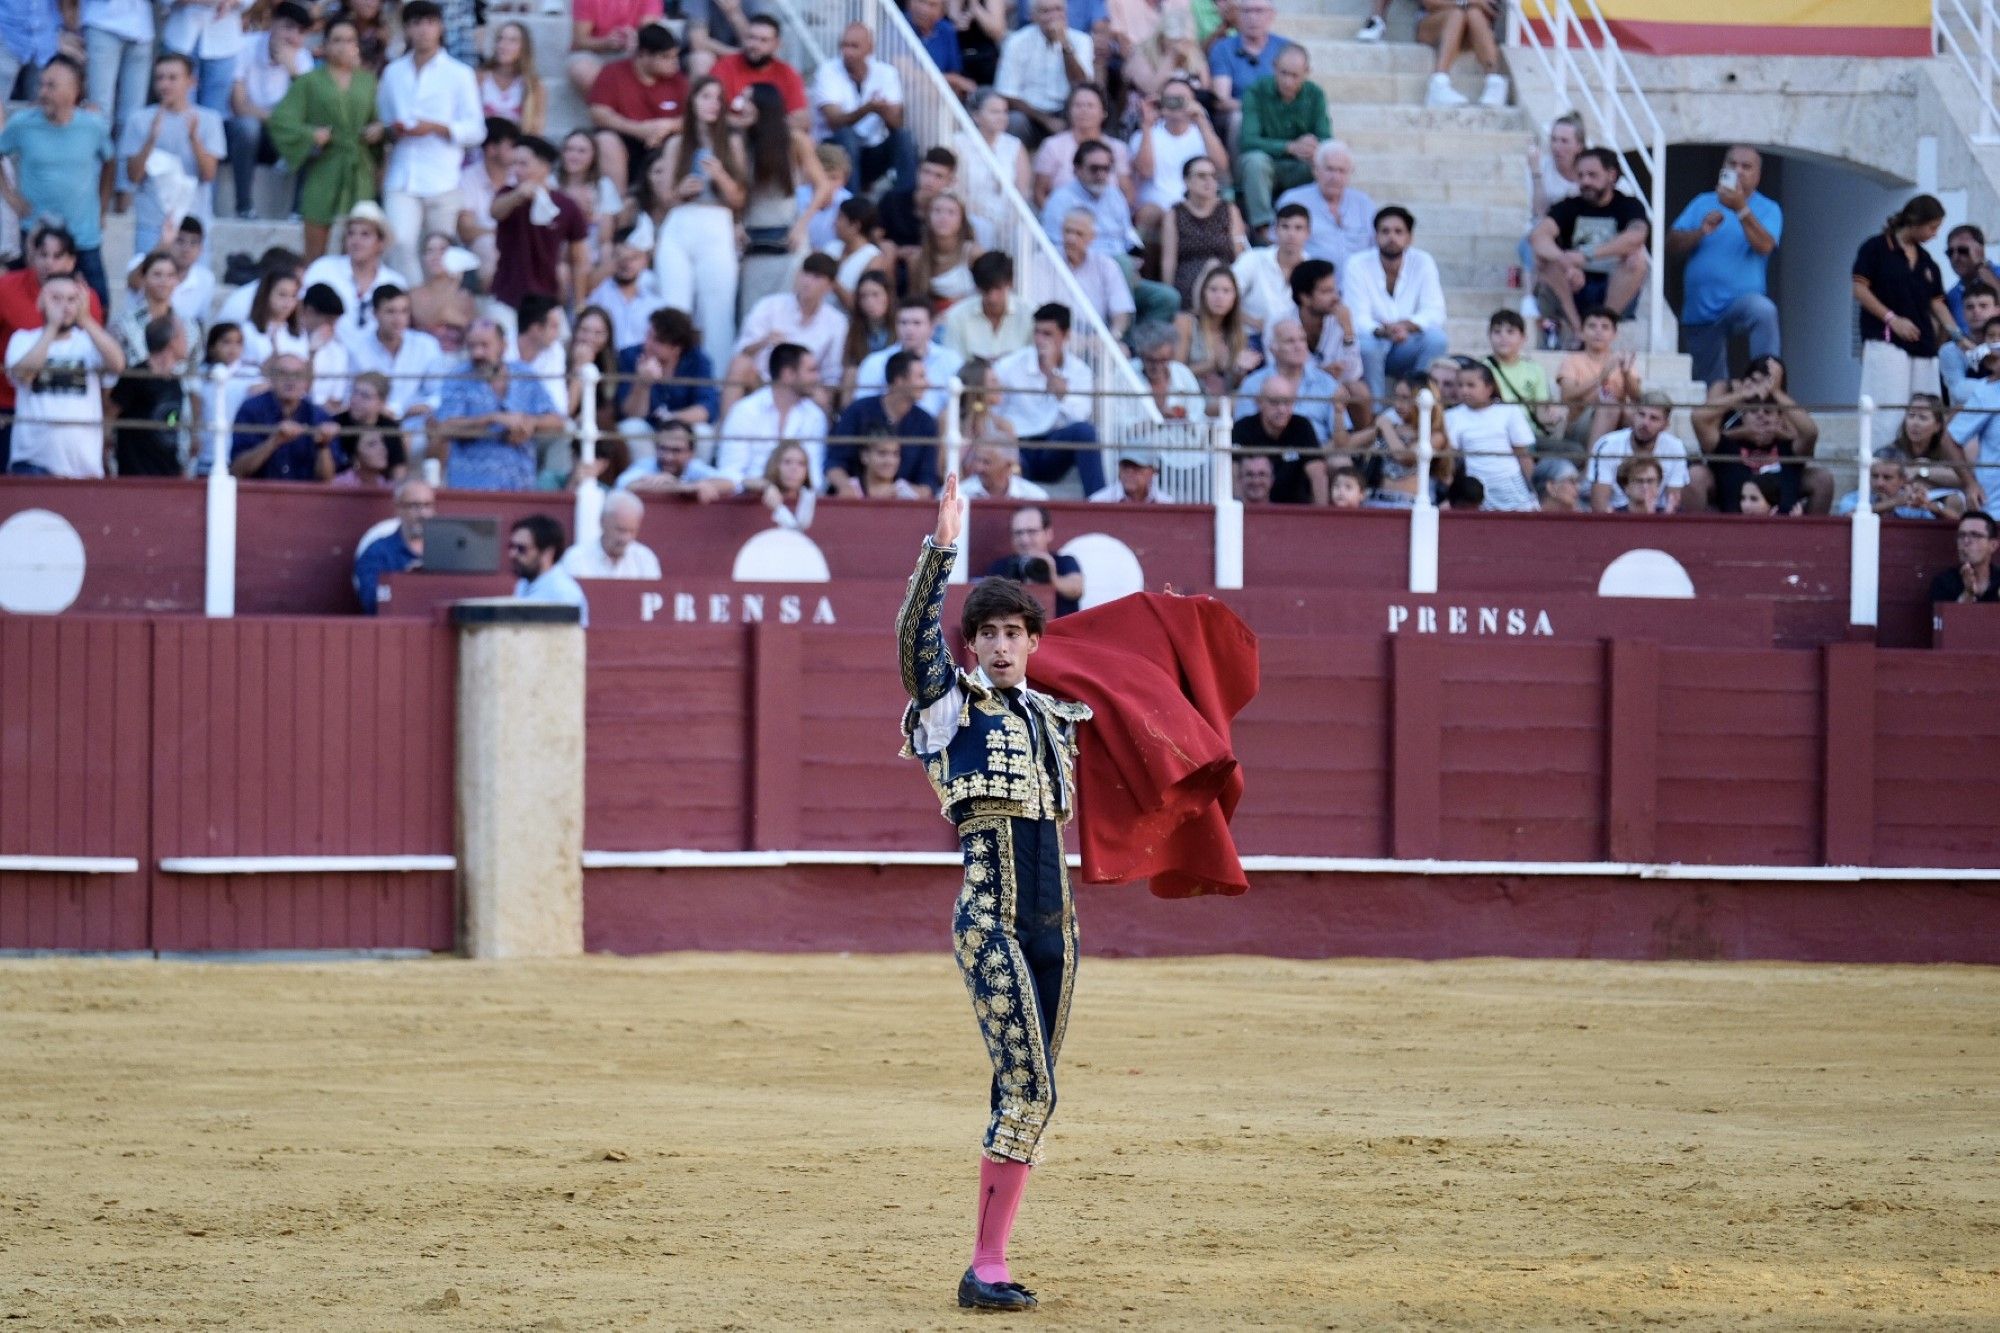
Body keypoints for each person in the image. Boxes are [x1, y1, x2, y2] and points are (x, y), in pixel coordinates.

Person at [900, 480, 1090, 1314]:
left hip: (1059, 926)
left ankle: (989, 1256)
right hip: (990, 919)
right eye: (989, 634)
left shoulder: (1056, 715)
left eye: (1015, 632)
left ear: (1034, 641)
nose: (1003, 646)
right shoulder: (950, 707)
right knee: (1031, 1088)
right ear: (972, 644)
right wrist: (941, 551)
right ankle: (986, 1262)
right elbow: (914, 645)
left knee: (1028, 1086)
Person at [377, 0, 488, 284]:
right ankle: (411, 303)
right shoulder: (393, 73)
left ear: (440, 27)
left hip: (443, 177)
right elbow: (385, 119)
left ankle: (437, 311)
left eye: (429, 23)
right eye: (416, 23)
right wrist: (394, 130)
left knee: (441, 253)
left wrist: (437, 128)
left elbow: (476, 130)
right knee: (399, 242)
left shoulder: (459, 74)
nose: (423, 30)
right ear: (406, 29)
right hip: (402, 174)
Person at [0, 58, 113, 313]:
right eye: (42, 84)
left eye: (51, 86)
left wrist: (103, 207)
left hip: (83, 235)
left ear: (73, 91)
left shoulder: (93, 127)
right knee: (22, 306)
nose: (42, 92)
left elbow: (110, 162)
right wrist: (10, 195)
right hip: (35, 236)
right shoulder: (23, 124)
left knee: (100, 306)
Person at [268, 18, 384, 264]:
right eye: (337, 40)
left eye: (350, 40)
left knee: (357, 240)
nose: (343, 46)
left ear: (357, 46)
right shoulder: (309, 81)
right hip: (325, 163)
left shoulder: (368, 81)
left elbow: (379, 118)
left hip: (359, 166)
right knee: (315, 237)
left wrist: (377, 129)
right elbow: (281, 120)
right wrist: (311, 134)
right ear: (325, 45)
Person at [651, 75, 748, 362]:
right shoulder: (677, 144)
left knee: (717, 312)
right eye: (705, 96)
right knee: (673, 307)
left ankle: (715, 386)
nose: (712, 104)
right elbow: (665, 199)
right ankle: (665, 379)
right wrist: (680, 191)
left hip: (716, 223)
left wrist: (720, 176)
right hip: (680, 225)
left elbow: (740, 199)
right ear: (692, 101)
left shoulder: (732, 143)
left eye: (718, 98)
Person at [1667, 145, 1782, 384]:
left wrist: (1740, 207)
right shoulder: (1702, 202)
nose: (1738, 170)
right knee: (1711, 388)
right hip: (1700, 310)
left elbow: (1764, 246)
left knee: (1763, 310)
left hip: (1741, 303)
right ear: (1723, 169)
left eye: (1746, 166)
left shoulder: (1769, 208)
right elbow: (1670, 245)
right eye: (1732, 164)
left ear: (1757, 176)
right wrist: (1700, 231)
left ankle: (1768, 385)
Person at [1854, 195, 1956, 450]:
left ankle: (1922, 471)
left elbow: (1937, 302)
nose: (1934, 234)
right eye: (1932, 227)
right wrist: (1892, 318)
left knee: (1926, 413)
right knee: (1887, 412)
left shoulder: (1926, 261)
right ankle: (1880, 470)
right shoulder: (1875, 249)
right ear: (1915, 221)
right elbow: (1859, 288)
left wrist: (1959, 336)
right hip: (1886, 339)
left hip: (1922, 344)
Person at [4, 272, 123, 478]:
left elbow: (118, 364)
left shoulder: (89, 341)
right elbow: (24, 374)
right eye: (56, 299)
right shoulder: (22, 339)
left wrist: (86, 320)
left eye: (71, 299)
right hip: (32, 464)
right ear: (40, 302)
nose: (64, 306)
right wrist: (51, 328)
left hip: (85, 468)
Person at [736, 82, 836, 320]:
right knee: (753, 316)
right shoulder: (740, 141)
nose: (741, 106)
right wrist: (736, 221)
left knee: (787, 314)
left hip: (788, 238)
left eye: (747, 100)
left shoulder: (794, 140)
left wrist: (802, 224)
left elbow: (822, 187)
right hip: (752, 241)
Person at [432, 319, 567, 490]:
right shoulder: (458, 377)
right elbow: (444, 427)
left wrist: (530, 423)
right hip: (471, 488)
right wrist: (492, 419)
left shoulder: (524, 374)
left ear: (503, 346)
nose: (477, 353)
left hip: (520, 486)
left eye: (484, 345)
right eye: (472, 346)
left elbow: (557, 422)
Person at [1533, 147, 1650, 343]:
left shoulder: (1628, 205)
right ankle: (1579, 330)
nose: (1585, 181)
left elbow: (1636, 236)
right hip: (1573, 288)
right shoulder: (1569, 206)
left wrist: (1587, 254)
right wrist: (1566, 262)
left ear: (1611, 175)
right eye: (1580, 175)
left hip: (1612, 289)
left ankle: (1603, 323)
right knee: (1543, 259)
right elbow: (1538, 237)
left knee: (1637, 260)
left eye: (1592, 175)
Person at [120, 54, 226, 260]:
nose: (164, 84)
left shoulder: (209, 120)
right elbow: (133, 176)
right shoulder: (139, 120)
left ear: (191, 82)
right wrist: (150, 139)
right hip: (151, 223)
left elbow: (208, 174)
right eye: (160, 78)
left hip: (193, 225)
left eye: (172, 78)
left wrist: (195, 140)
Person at [993, 303, 1103, 495]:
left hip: (1053, 447)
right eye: (1037, 332)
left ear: (1066, 335)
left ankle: (1098, 501)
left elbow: (1081, 414)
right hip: (1019, 445)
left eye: (1048, 334)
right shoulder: (1010, 365)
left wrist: (1059, 387)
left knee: (1085, 432)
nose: (1040, 340)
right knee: (1005, 450)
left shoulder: (1079, 370)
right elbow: (993, 408)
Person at [1344, 206, 1448, 400]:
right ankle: (1375, 412)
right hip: (1374, 340)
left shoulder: (1423, 261)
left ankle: (1418, 401)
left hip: (1405, 342)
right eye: (1385, 231)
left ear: (1410, 238)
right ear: (1375, 236)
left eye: (1398, 231)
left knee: (1437, 339)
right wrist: (1383, 331)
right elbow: (1356, 318)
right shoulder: (1356, 264)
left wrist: (1405, 326)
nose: (1391, 237)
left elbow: (1435, 311)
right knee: (1368, 346)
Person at [224, 0, 314, 219]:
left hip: (278, 136)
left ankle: (298, 213)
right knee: (248, 127)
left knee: (314, 138)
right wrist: (281, 122)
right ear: (272, 23)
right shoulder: (244, 46)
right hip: (239, 134)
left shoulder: (302, 59)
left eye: (300, 32)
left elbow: (311, 111)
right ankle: (244, 208)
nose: (293, 37)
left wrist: (293, 73)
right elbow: (240, 106)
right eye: (288, 27)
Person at [1235, 49, 1327, 243]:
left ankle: (1316, 228)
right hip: (1267, 163)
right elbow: (1248, 140)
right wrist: (1290, 147)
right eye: (1283, 73)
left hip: (1299, 166)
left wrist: (1313, 146)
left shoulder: (1315, 95)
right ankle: (1264, 230)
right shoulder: (1256, 91)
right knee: (1254, 161)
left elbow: (1326, 139)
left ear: (1307, 72)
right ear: (1274, 67)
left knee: (1327, 164)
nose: (1288, 81)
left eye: (1295, 75)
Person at [489, 135, 591, 310]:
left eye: (523, 164)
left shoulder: (566, 205)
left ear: (544, 166)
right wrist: (518, 195)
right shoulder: (508, 194)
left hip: (546, 297)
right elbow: (495, 211)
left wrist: (579, 302)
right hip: (506, 294)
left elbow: (579, 258)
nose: (516, 170)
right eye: (514, 164)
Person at [586, 21, 686, 195]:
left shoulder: (678, 80)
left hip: (664, 144)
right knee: (605, 140)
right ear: (643, 54)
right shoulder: (613, 73)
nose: (674, 63)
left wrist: (667, 126)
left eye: (676, 56)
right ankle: (619, 208)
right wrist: (639, 130)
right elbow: (598, 113)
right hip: (626, 142)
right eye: (666, 57)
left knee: (679, 143)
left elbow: (694, 117)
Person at [813, 21, 913, 194]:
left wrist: (883, 110)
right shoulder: (828, 71)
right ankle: (852, 204)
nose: (847, 52)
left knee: (903, 137)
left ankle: (906, 199)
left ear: (870, 49)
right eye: (844, 46)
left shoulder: (886, 73)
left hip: (872, 151)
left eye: (854, 46)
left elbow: (897, 123)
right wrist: (868, 108)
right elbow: (835, 121)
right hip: (835, 148)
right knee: (847, 135)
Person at [715, 341, 830, 487]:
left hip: (796, 501)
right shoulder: (745, 411)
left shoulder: (815, 416)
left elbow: (815, 476)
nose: (817, 378)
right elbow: (729, 472)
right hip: (748, 501)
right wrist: (760, 487)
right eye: (811, 371)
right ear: (788, 374)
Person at [828, 349, 939, 494]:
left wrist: (906, 493)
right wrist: (848, 489)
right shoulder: (858, 411)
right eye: (921, 377)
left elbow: (928, 480)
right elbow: (834, 462)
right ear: (899, 381)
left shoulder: (926, 422)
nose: (927, 384)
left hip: (904, 508)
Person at [1130, 76, 1228, 232]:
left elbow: (1221, 168)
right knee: (1149, 214)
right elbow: (1145, 171)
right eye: (1170, 99)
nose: (1175, 104)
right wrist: (1147, 125)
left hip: (1197, 203)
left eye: (1181, 99)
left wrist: (1202, 120)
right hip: (1157, 207)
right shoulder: (1143, 135)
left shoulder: (1202, 133)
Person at [343, 284, 444, 433]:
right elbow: (347, 395)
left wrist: (425, 406)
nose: (398, 319)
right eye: (390, 311)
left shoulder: (427, 346)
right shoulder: (356, 347)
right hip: (369, 426)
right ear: (375, 313)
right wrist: (376, 408)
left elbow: (438, 393)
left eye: (404, 311)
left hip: (415, 424)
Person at [304, 203, 408, 347]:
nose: (356, 241)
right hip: (329, 355)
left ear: (380, 242)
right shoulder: (323, 268)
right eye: (351, 233)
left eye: (365, 234)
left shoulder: (395, 282)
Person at [994, 0, 1094, 146]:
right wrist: (1047, 121)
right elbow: (1007, 93)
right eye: (1046, 11)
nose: (1054, 16)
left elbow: (1081, 84)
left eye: (1058, 9)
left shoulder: (1082, 40)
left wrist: (1065, 45)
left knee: (1086, 112)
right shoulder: (1016, 42)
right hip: (1030, 113)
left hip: (1067, 110)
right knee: (1015, 120)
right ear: (1032, 16)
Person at [229, 353, 342, 481]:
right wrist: (274, 441)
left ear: (307, 382)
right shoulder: (251, 409)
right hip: (260, 496)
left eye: (298, 375)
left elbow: (326, 481)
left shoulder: (319, 416)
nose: (291, 380)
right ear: (271, 378)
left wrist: (323, 446)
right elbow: (237, 470)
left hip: (303, 497)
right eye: (283, 373)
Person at [1445, 360, 1535, 512]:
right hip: (1475, 489)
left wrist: (1529, 487)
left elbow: (1523, 455)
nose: (1464, 390)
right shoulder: (1451, 416)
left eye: (1471, 385)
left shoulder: (1509, 411)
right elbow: (1450, 460)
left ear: (1489, 388)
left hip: (1511, 483)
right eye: (1460, 385)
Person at [1237, 315, 1339, 444]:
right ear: (1272, 348)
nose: (1299, 346)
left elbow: (1340, 436)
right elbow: (1243, 433)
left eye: (1302, 340)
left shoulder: (1327, 383)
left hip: (1317, 457)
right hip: (1268, 457)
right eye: (1290, 341)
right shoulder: (1253, 384)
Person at [617, 305, 721, 431]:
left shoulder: (698, 361)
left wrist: (670, 419)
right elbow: (631, 415)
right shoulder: (630, 356)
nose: (647, 344)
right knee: (631, 428)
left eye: (656, 341)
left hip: (680, 429)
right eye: (648, 336)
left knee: (703, 431)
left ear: (676, 348)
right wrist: (642, 384)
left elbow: (706, 408)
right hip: (647, 429)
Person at [1161, 157, 1245, 311]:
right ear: (1186, 181)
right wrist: (1169, 295)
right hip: (1187, 280)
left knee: (1216, 273)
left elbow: (1239, 254)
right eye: (1201, 176)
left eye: (1213, 176)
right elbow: (1169, 260)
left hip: (1224, 278)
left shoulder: (1229, 210)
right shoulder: (1175, 214)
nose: (1208, 181)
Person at [857, 298, 964, 419]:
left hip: (939, 432)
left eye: (916, 323)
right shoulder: (875, 362)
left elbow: (961, 404)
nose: (909, 329)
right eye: (903, 323)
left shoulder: (951, 360)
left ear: (932, 327)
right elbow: (863, 407)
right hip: (888, 431)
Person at [1276, 141, 1374, 270]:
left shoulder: (1364, 204)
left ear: (1350, 173)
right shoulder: (1293, 200)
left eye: (1342, 171)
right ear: (1315, 170)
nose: (1335, 177)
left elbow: (1376, 247)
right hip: (1310, 281)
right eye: (1330, 169)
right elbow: (1279, 245)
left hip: (1358, 284)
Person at [1587, 391, 1690, 513]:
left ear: (1665, 425)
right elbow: (1599, 506)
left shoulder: (1676, 448)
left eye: (1654, 418)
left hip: (1658, 515)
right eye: (1641, 414)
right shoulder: (1607, 446)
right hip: (1615, 516)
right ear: (1633, 415)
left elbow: (1673, 502)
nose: (1645, 423)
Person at [1231, 376, 1327, 504]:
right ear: (1259, 402)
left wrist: (1320, 518)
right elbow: (1233, 474)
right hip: (1252, 510)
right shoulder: (1243, 428)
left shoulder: (1302, 426)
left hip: (1295, 510)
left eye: (1287, 402)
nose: (1282, 409)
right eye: (1274, 402)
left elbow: (1318, 474)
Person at [1556, 305, 1640, 448]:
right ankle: (1592, 465)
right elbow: (1566, 396)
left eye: (1605, 327)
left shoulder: (1621, 360)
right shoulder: (1572, 360)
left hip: (1618, 422)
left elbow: (1637, 398)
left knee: (1635, 414)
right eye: (1592, 326)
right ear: (1581, 333)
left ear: (1614, 334)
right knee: (1610, 406)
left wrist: (1626, 374)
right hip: (1580, 426)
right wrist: (1601, 378)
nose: (1598, 331)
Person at [1030, 83, 1126, 207]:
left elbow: (1127, 194)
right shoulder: (1052, 146)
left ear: (1103, 113)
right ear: (1069, 111)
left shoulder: (1118, 148)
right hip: (1065, 220)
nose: (1084, 110)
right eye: (1078, 105)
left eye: (1090, 106)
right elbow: (1039, 193)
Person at [84, 0, 156, 160]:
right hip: (102, 22)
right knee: (100, 110)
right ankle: (95, 176)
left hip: (142, 27)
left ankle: (124, 181)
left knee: (133, 115)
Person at [956, 88, 1032, 237]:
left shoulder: (1014, 145)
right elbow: (958, 189)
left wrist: (1010, 222)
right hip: (972, 216)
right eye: (994, 112)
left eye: (1004, 112)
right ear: (976, 116)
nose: (1002, 117)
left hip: (1008, 221)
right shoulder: (958, 143)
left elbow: (1022, 193)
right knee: (983, 229)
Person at [984, 503, 1085, 613]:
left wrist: (1051, 576)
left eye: (1031, 532)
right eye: (1018, 533)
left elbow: (1076, 589)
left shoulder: (1063, 562)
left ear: (1048, 533)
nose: (1024, 540)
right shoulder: (1000, 567)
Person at [354, 478, 436, 614]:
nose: (422, 514)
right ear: (398, 509)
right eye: (415, 506)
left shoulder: (447, 549)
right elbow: (370, 602)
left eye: (427, 505)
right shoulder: (377, 551)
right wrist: (405, 581)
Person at [1233, 201, 1310, 336]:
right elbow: (1226, 298)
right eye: (1285, 227)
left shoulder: (1313, 268)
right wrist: (1254, 322)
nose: (1291, 234)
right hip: (1252, 336)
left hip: (1297, 340)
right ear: (1275, 230)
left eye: (1298, 228)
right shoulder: (1252, 259)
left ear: (1308, 233)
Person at [712, 15, 808, 122]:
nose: (755, 45)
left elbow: (801, 119)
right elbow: (711, 111)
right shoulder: (725, 66)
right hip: (734, 131)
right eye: (752, 38)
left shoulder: (787, 73)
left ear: (777, 44)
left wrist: (766, 128)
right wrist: (745, 125)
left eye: (763, 40)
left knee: (799, 137)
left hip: (772, 133)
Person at [944, 252, 1035, 362]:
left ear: (1010, 283)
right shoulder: (957, 316)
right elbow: (953, 364)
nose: (992, 298)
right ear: (977, 287)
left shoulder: (1030, 313)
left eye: (998, 289)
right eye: (986, 290)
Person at [568, 0, 666, 99]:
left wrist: (635, 37)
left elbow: (649, 32)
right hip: (593, 52)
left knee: (660, 63)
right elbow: (580, 41)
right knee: (582, 72)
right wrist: (605, 42)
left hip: (634, 50)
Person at [1416, 0, 1506, 108]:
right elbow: (1431, 4)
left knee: (1474, 13)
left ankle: (1494, 81)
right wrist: (1467, 2)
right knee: (1457, 14)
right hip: (1433, 23)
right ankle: (1438, 83)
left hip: (1469, 28)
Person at [1835, 448, 1959, 522]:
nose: (1880, 483)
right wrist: (1895, 503)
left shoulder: (1912, 502)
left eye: (1887, 478)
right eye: (1875, 476)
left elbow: (1956, 521)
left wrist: (1930, 505)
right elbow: (1849, 516)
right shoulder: (1854, 498)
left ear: (1903, 480)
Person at [619, 418, 733, 497]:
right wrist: (682, 487)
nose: (668, 457)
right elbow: (627, 484)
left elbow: (730, 482)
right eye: (663, 449)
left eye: (676, 450)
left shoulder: (694, 466)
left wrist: (682, 485)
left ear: (691, 453)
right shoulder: (646, 465)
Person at [509, 513, 591, 624]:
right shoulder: (523, 583)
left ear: (547, 553)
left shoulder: (564, 593)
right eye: (511, 547)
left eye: (521, 549)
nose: (512, 554)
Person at [331, 369, 406, 487]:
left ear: (381, 402)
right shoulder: (336, 423)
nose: (356, 400)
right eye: (354, 393)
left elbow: (398, 470)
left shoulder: (390, 428)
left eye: (365, 396)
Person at [561, 491, 663, 578]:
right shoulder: (576, 559)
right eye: (620, 530)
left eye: (632, 531)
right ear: (602, 522)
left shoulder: (645, 559)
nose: (625, 538)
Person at [480, 20, 548, 137]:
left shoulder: (533, 85)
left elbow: (536, 131)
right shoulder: (479, 78)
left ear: (524, 47)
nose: (503, 45)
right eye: (500, 39)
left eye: (512, 41)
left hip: (516, 146)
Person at [1930, 511, 2000, 603]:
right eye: (1961, 535)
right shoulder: (1944, 582)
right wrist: (1968, 594)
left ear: (1993, 545)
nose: (1966, 541)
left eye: (1975, 535)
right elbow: (1947, 616)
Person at [1089, 447, 1169, 503]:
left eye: (1137, 466)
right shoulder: (1099, 501)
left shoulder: (1166, 503)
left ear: (1153, 472)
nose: (1129, 472)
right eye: (1125, 466)